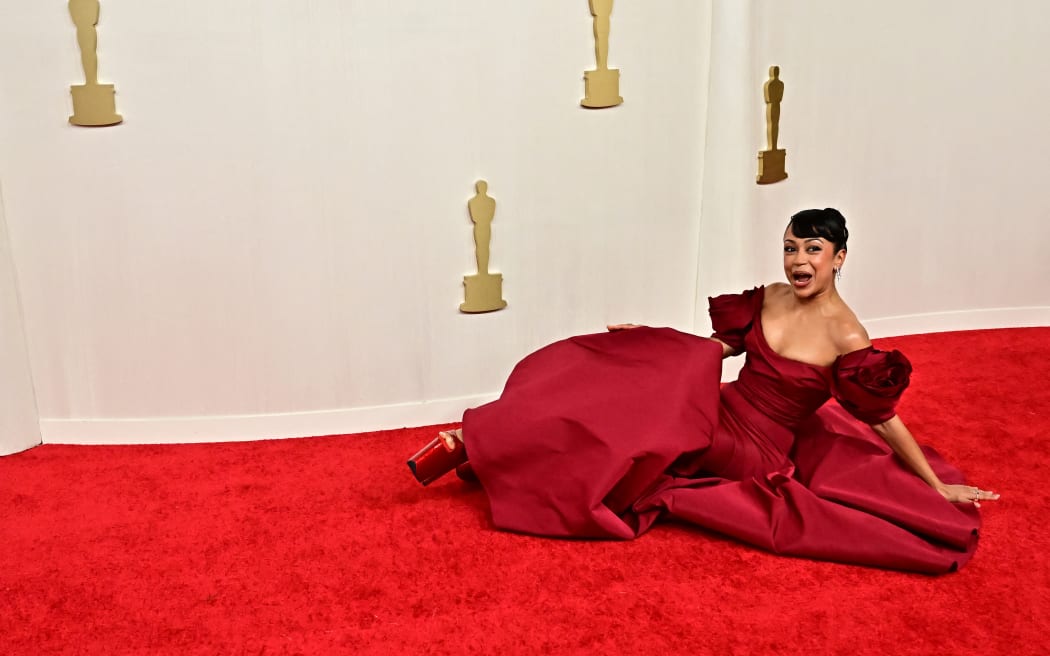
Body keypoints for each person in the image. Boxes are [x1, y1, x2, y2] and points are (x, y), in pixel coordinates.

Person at [407, 208, 998, 573]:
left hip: (755, 447)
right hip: (722, 404)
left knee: (645, 420)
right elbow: (721, 350)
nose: (798, 260)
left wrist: (934, 485)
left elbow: (882, 418)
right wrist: (649, 344)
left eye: (813, 250)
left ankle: (478, 443)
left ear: (839, 258)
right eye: (791, 247)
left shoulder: (847, 333)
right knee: (626, 386)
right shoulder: (768, 295)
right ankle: (484, 439)